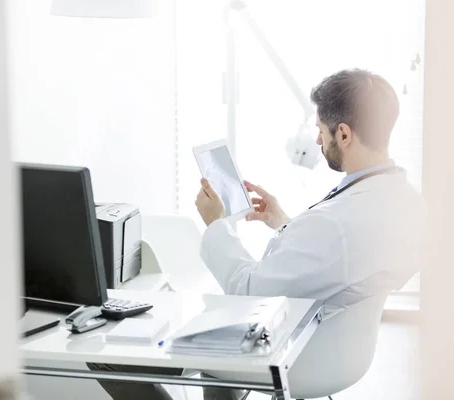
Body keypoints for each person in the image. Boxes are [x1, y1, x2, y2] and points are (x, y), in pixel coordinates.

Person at [88, 69, 428, 400]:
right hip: (342, 352)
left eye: (320, 130)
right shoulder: (403, 199)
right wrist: (284, 223)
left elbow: (248, 293)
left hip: (296, 354)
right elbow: (341, 260)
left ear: (343, 134)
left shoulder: (333, 225)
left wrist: (216, 224)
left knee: (106, 353)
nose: (317, 140)